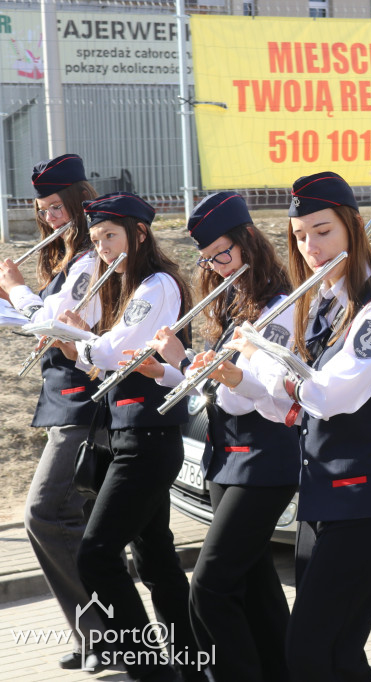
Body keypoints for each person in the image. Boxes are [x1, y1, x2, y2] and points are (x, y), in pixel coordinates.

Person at [217, 172, 371, 680]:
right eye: (300, 236)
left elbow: (332, 396)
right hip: (322, 495)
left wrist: (276, 367)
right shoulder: (318, 304)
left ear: (350, 225)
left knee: (308, 651)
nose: (311, 246)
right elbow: (283, 408)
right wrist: (240, 375)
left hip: (365, 501)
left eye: (322, 231)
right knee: (338, 654)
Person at [132, 192, 299, 681]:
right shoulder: (229, 299)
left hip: (264, 456)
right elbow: (210, 383)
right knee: (254, 580)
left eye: (223, 254)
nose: (217, 266)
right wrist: (163, 370)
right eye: (208, 259)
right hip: (226, 454)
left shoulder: (278, 305)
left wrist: (185, 361)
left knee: (210, 587)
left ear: (249, 242)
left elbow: (247, 393)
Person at [59, 192, 203, 682]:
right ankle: (191, 661)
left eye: (111, 236)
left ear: (140, 234)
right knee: (155, 555)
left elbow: (112, 349)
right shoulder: (128, 286)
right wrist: (76, 340)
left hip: (148, 438)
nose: (103, 248)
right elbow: (104, 358)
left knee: (96, 556)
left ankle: (151, 671)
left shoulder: (156, 284)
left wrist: (76, 338)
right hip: (128, 431)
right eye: (97, 239)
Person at [0, 154, 105, 671]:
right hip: (60, 399)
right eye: (44, 210)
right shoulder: (63, 255)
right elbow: (41, 321)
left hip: (84, 400)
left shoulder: (92, 256)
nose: (50, 218)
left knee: (42, 513)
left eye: (57, 207)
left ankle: (103, 630)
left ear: (80, 203)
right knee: (74, 519)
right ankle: (101, 633)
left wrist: (17, 289)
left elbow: (59, 323)